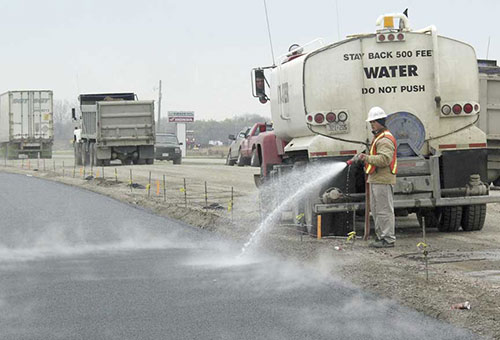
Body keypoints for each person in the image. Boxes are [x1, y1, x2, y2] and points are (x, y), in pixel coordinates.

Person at [358, 107, 398, 248]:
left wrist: (367, 158)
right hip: (376, 179)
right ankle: (381, 237)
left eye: (374, 122)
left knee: (384, 210)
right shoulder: (379, 138)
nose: (372, 125)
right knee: (376, 210)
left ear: (381, 121)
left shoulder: (385, 139)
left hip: (383, 180)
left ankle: (388, 239)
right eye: (371, 123)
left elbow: (384, 159)